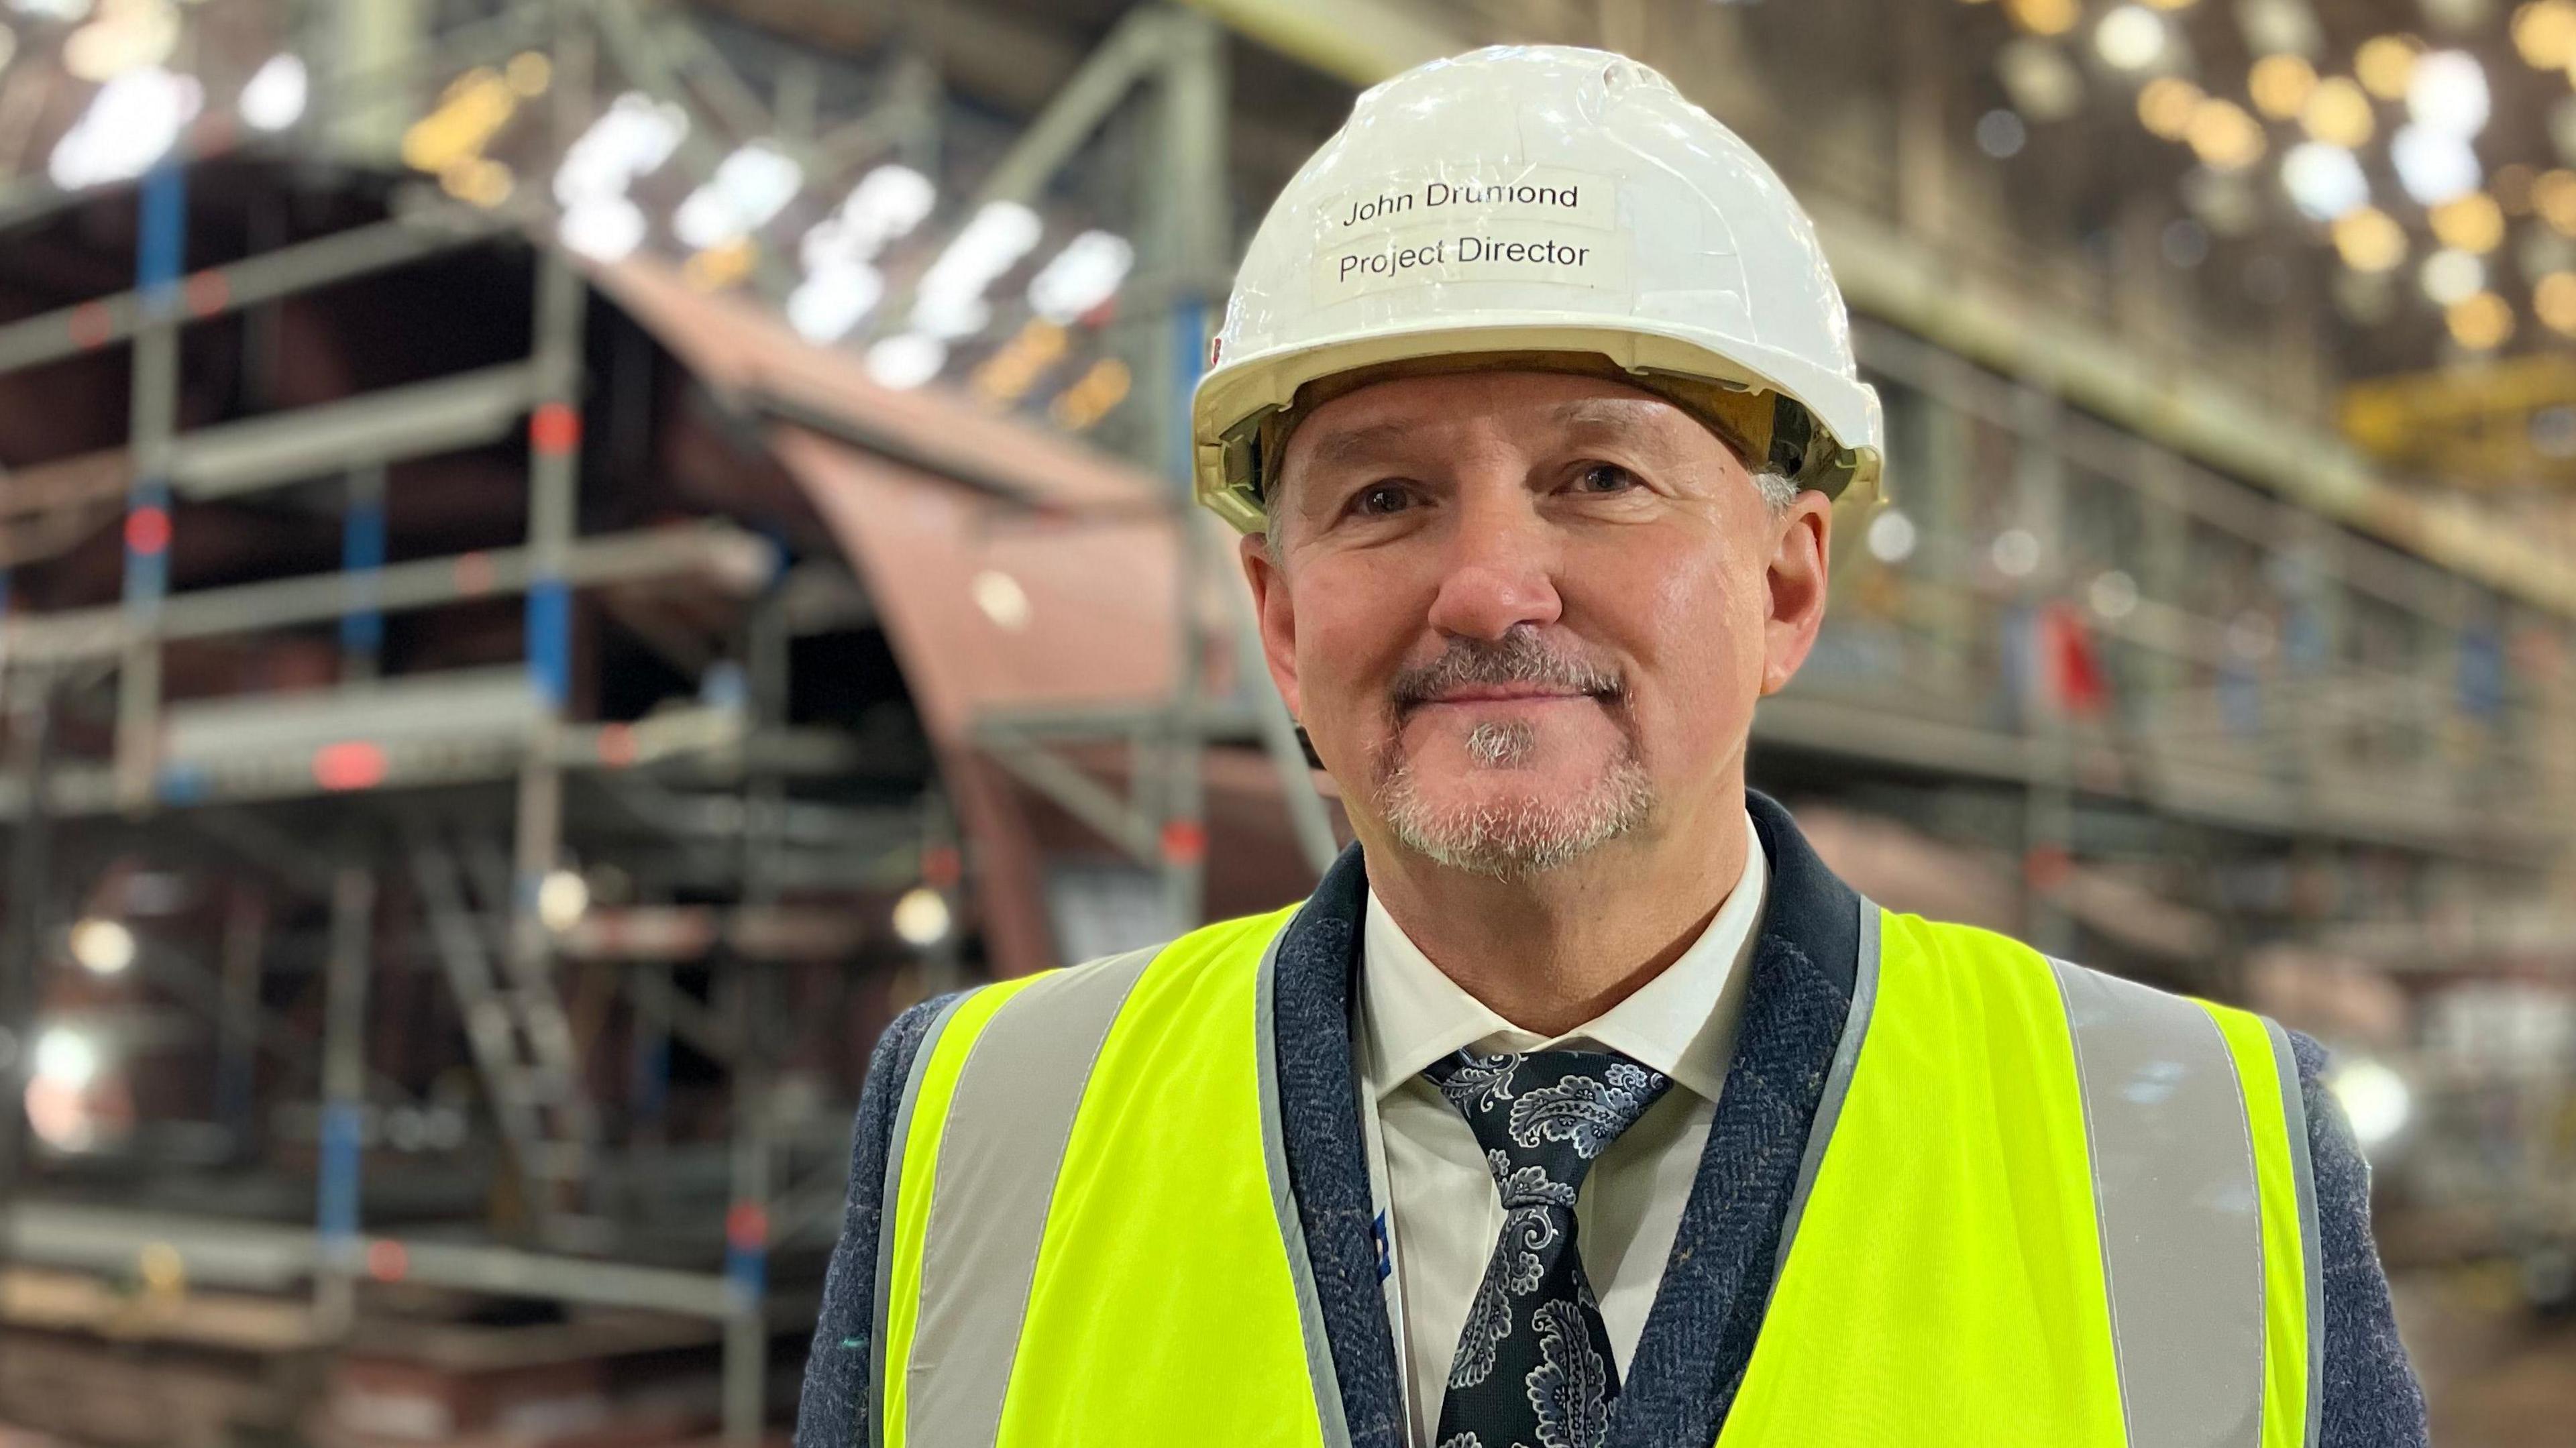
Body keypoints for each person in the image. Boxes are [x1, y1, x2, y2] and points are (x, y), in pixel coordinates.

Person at [798, 44, 2427, 1448]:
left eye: (1599, 480)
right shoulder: (981, 1126)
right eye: (1384, 498)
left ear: (1787, 585)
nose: (1491, 589)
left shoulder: (2197, 1143)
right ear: (1281, 622)